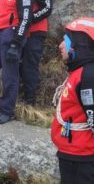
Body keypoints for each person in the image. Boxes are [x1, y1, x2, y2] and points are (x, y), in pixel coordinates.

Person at [51, 17, 94, 184]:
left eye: (66, 41)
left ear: (79, 46)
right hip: (74, 154)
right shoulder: (81, 72)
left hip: (82, 159)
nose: (60, 45)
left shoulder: (88, 76)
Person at [21, 0, 53, 105]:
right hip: (23, 31)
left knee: (29, 65)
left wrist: (29, 19)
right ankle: (24, 97)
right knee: (19, 64)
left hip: (35, 32)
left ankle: (30, 101)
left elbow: (47, 7)